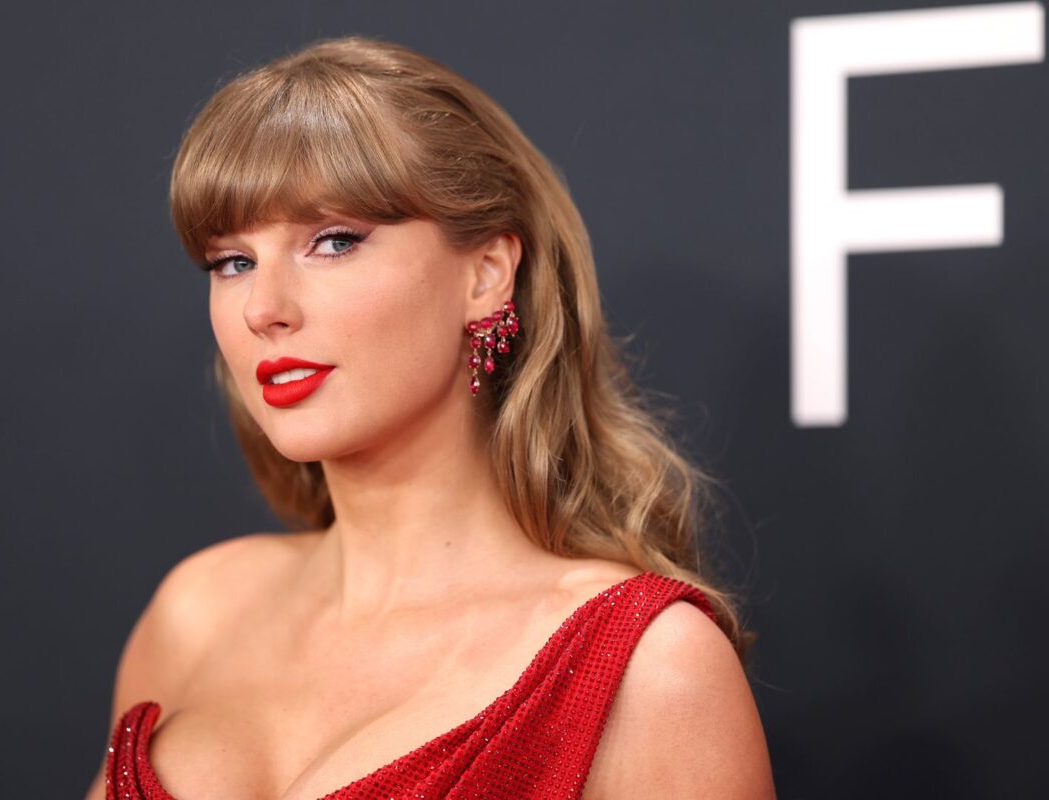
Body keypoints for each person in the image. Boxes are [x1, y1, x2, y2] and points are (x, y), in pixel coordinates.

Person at [84, 34, 774, 800]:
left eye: (333, 242)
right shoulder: (197, 612)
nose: (263, 308)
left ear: (487, 274)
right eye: (233, 262)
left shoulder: (648, 667)